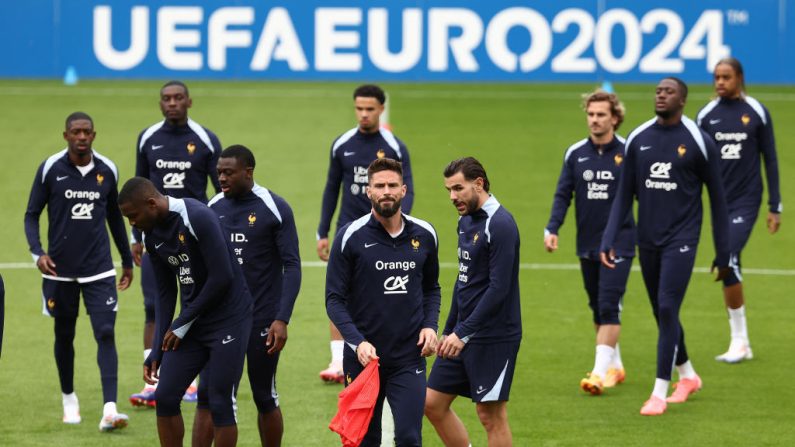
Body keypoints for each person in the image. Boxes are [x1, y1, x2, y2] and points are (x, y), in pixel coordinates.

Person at [600, 78, 730, 416]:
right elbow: (623, 194)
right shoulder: (639, 139)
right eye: (658, 90)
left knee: (668, 307)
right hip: (649, 239)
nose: (661, 95)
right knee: (661, 310)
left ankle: (659, 391)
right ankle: (687, 375)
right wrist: (609, 237)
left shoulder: (699, 142)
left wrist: (724, 250)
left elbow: (718, 201)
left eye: (669, 91)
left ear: (683, 100)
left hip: (683, 239)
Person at [118, 177, 252, 447]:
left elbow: (222, 276)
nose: (132, 223)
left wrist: (182, 321)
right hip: (193, 321)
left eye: (133, 216)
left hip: (229, 320)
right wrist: (157, 349)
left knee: (219, 400)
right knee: (165, 396)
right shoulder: (150, 234)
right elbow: (166, 292)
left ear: (152, 203)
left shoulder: (197, 216)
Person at [23, 112, 133, 430]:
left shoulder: (107, 170)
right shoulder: (50, 169)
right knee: (65, 334)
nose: (81, 137)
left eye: (86, 132)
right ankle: (69, 397)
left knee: (106, 333)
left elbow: (115, 217)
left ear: (94, 135)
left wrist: (126, 260)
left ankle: (110, 409)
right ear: (66, 135)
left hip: (99, 269)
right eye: (76, 132)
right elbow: (31, 214)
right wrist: (37, 254)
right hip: (59, 271)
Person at [326, 158, 439, 446]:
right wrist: (357, 342)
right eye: (379, 186)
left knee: (410, 438)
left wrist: (430, 326)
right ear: (369, 192)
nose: (386, 191)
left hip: (408, 358)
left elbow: (431, 289)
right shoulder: (350, 237)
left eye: (392, 185)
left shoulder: (425, 235)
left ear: (403, 190)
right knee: (365, 439)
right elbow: (334, 300)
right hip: (364, 360)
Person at [194, 145, 301, 447]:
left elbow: (292, 265)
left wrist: (282, 318)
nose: (222, 179)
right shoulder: (212, 207)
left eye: (228, 173)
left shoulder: (275, 208)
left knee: (264, 394)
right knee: (209, 396)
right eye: (219, 173)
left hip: (262, 318)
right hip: (220, 321)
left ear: (248, 172)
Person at [130, 80, 222, 407]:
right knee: (153, 306)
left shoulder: (206, 140)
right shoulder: (148, 138)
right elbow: (138, 187)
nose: (172, 103)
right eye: (166, 99)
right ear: (160, 104)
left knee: (194, 306)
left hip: (194, 240)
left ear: (189, 102)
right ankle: (152, 381)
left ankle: (192, 381)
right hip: (156, 238)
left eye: (178, 98)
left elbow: (220, 189)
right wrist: (135, 237)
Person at [317, 84, 415, 383]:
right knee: (339, 292)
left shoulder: (395, 147)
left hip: (384, 230)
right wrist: (323, 231)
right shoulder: (342, 144)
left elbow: (405, 189)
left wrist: (401, 224)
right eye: (359, 108)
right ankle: (337, 361)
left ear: (381, 109)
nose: (363, 114)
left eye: (370, 109)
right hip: (348, 230)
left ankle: (387, 349)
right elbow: (332, 188)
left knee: (381, 290)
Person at [544, 91, 636, 395]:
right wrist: (553, 227)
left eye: (601, 114)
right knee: (598, 307)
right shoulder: (576, 154)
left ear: (615, 118)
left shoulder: (629, 152)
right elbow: (562, 193)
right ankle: (615, 366)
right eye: (591, 114)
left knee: (609, 305)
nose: (595, 119)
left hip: (620, 242)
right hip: (587, 242)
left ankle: (597, 373)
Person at [426, 157, 522, 446]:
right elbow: (463, 279)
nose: (453, 197)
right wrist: (450, 328)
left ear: (478, 183)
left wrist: (463, 332)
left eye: (458, 188)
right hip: (462, 332)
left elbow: (499, 288)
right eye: (448, 190)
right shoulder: (465, 220)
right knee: (432, 403)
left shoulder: (501, 224)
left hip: (494, 336)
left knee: (490, 415)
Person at [696, 57, 782, 363]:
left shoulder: (756, 112)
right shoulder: (706, 115)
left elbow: (769, 158)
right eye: (716, 77)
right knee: (732, 263)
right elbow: (696, 161)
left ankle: (739, 341)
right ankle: (743, 342)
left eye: (726, 77)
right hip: (719, 202)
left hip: (747, 199)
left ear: (740, 78)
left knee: (727, 259)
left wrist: (775, 205)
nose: (720, 82)